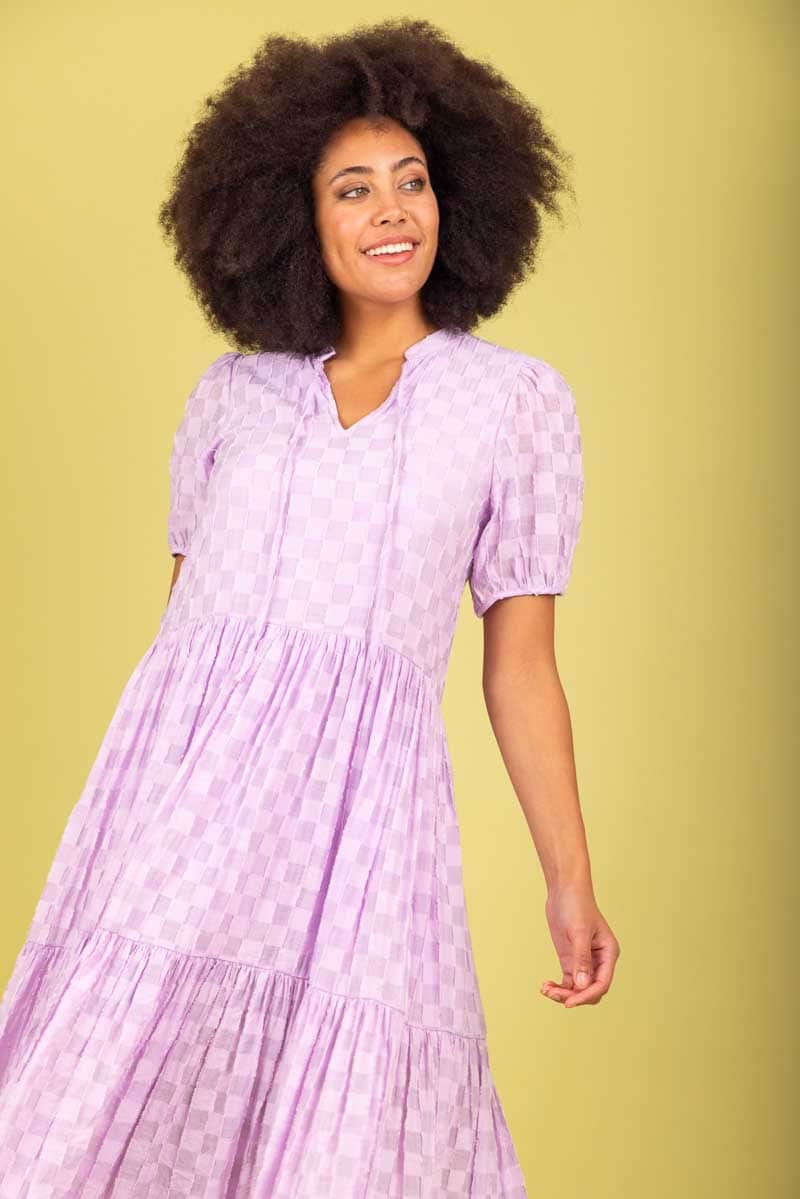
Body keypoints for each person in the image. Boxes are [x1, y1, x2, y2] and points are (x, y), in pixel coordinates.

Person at [0, 17, 620, 1197]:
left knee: (339, 1131)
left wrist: (567, 875)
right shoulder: (231, 395)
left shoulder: (511, 403)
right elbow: (185, 643)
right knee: (113, 1090)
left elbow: (518, 665)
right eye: (353, 188)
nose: (392, 210)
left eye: (412, 180)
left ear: (456, 199)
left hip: (361, 823)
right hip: (185, 811)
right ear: (291, 217)